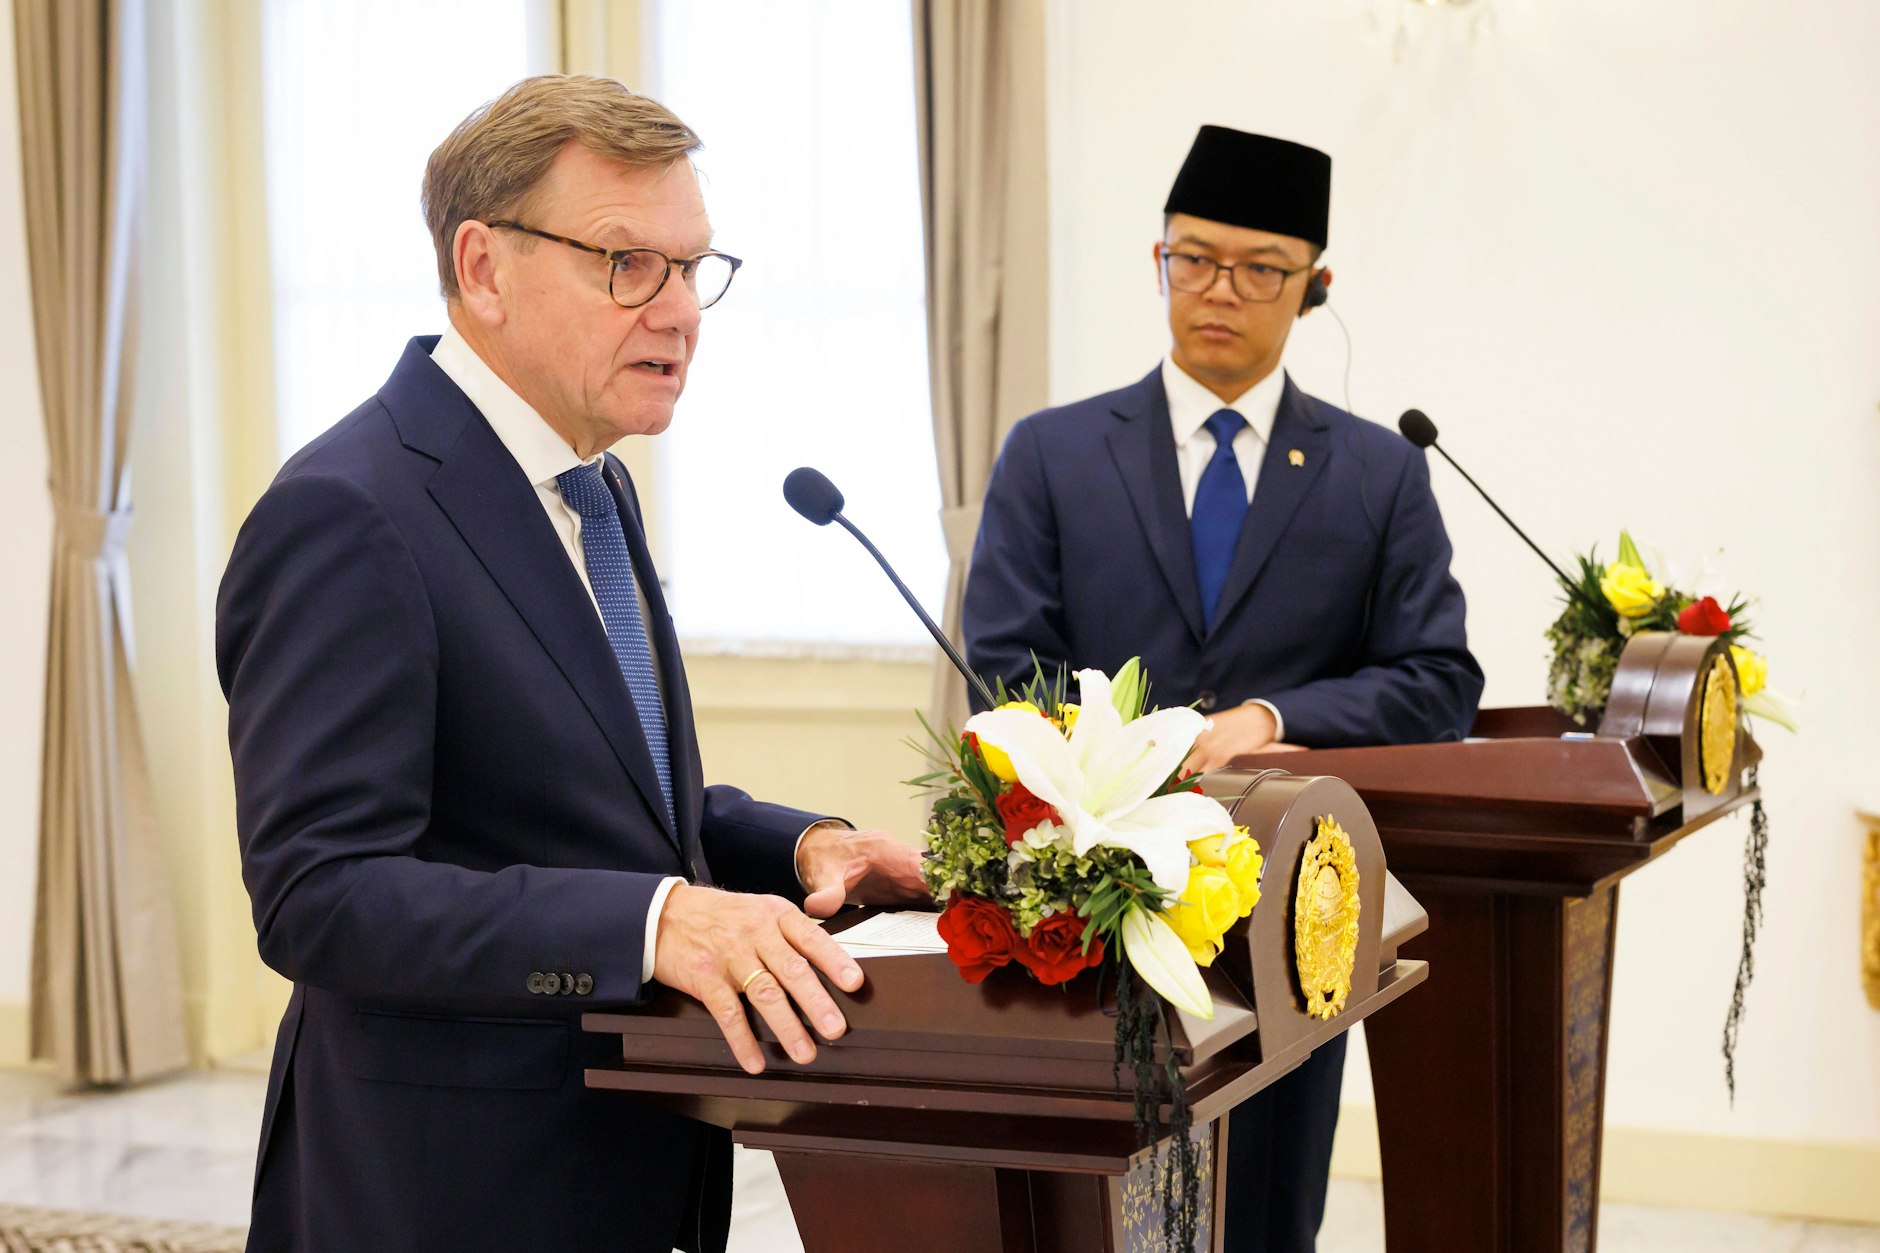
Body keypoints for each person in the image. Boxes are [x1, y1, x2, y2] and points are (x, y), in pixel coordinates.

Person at [216, 75, 927, 1253]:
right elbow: (320, 892)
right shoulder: (349, 512)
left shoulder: (591, 488)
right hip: (442, 1190)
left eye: (694, 267)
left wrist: (804, 845)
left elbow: (594, 804)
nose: (680, 310)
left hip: (625, 1163)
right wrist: (655, 922)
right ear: (483, 267)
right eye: (626, 263)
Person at [962, 125, 1484, 1252]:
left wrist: (1271, 718)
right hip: (1089, 887)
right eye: (1191, 259)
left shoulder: (1375, 472)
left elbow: (1437, 678)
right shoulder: (1050, 453)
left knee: (1266, 1198)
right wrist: (1119, 769)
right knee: (1098, 1200)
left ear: (1313, 287)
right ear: (1157, 261)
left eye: (1259, 269)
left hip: (1293, 895)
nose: (1218, 292)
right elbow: (1006, 663)